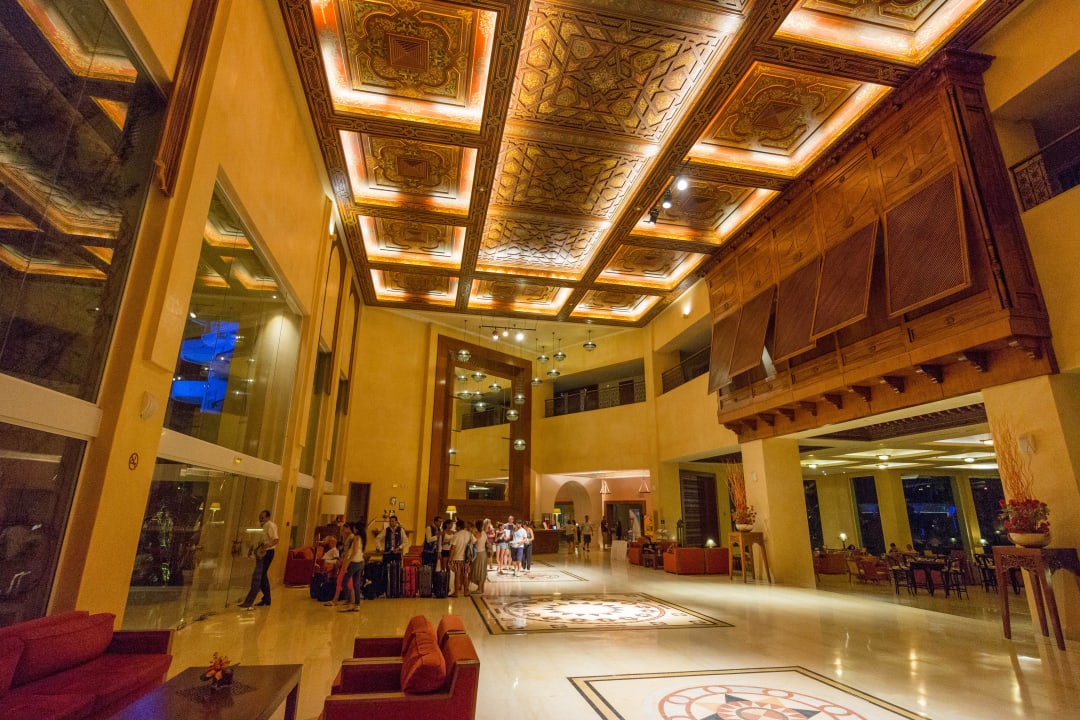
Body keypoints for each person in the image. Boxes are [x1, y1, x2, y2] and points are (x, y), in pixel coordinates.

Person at [240, 509, 278, 609]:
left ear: (267, 517)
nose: (260, 519)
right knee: (261, 575)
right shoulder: (261, 527)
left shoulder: (270, 526)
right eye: (260, 517)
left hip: (267, 552)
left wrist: (265, 547)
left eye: (262, 517)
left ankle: (264, 598)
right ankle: (266, 598)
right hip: (261, 552)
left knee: (260, 575)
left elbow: (275, 540)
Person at [333, 523, 365, 611]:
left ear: (356, 529)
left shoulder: (356, 538)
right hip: (359, 562)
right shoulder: (361, 538)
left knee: (344, 581)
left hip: (354, 562)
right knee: (356, 584)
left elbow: (353, 552)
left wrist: (347, 563)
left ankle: (349, 601)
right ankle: (356, 604)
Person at [448, 519, 473, 597]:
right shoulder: (469, 534)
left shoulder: (456, 535)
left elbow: (452, 548)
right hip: (466, 558)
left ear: (458, 527)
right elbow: (474, 542)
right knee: (465, 575)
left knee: (457, 575)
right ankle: (466, 591)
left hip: (457, 558)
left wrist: (450, 559)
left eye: (456, 526)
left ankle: (456, 593)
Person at [472, 519, 491, 595]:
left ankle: (479, 589)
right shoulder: (484, 533)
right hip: (484, 553)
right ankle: (481, 588)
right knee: (482, 571)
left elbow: (474, 543)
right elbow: (487, 542)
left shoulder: (477, 533)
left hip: (478, 554)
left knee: (478, 571)